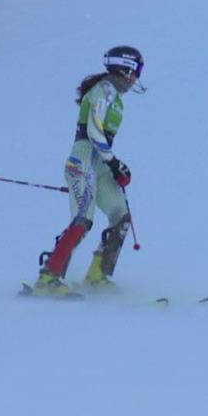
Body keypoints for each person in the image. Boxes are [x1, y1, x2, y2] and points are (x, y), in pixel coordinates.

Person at [28, 46, 146, 297]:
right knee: (83, 219)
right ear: (125, 68)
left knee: (121, 216)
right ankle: (48, 278)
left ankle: (97, 275)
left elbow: (102, 139)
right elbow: (93, 132)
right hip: (82, 161)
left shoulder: (116, 98)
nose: (137, 77)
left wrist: (113, 164)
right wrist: (114, 162)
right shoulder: (103, 90)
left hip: (99, 164)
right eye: (136, 71)